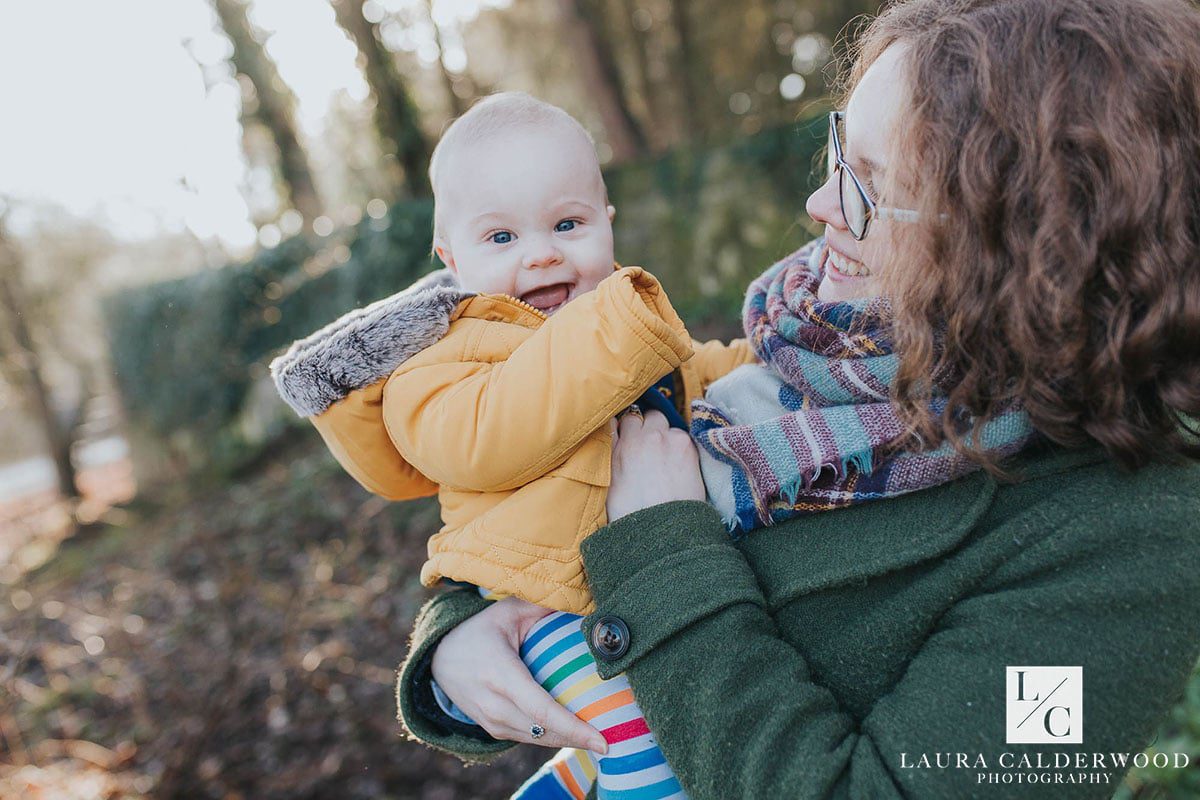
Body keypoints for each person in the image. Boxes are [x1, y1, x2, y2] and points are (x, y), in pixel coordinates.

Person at [394, 0, 1200, 797]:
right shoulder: (811, 339)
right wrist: (457, 638)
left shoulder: (1133, 535)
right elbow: (545, 481)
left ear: (1044, 239)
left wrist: (662, 553)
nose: (821, 207)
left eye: (877, 190)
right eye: (841, 155)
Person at [271, 92, 757, 800]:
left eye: (568, 223)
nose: (542, 254)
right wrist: (614, 335)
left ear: (607, 224)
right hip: (545, 605)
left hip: (640, 583)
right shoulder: (436, 366)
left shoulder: (611, 330)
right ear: (451, 258)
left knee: (677, 723)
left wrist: (772, 358)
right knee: (640, 742)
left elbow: (702, 371)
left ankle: (570, 783)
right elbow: (490, 437)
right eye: (502, 239)